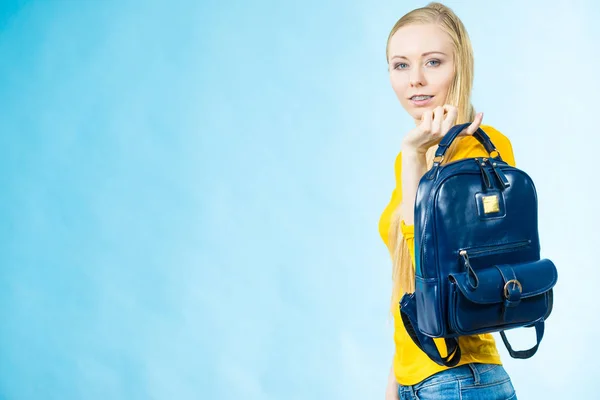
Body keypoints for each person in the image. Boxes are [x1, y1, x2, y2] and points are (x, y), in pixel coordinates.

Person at [380, 3, 519, 400]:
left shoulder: (481, 152)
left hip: (459, 379)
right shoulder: (410, 153)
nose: (416, 80)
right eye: (401, 65)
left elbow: (431, 261)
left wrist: (413, 157)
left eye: (433, 62)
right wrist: (396, 382)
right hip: (419, 378)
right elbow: (411, 288)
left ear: (461, 67)